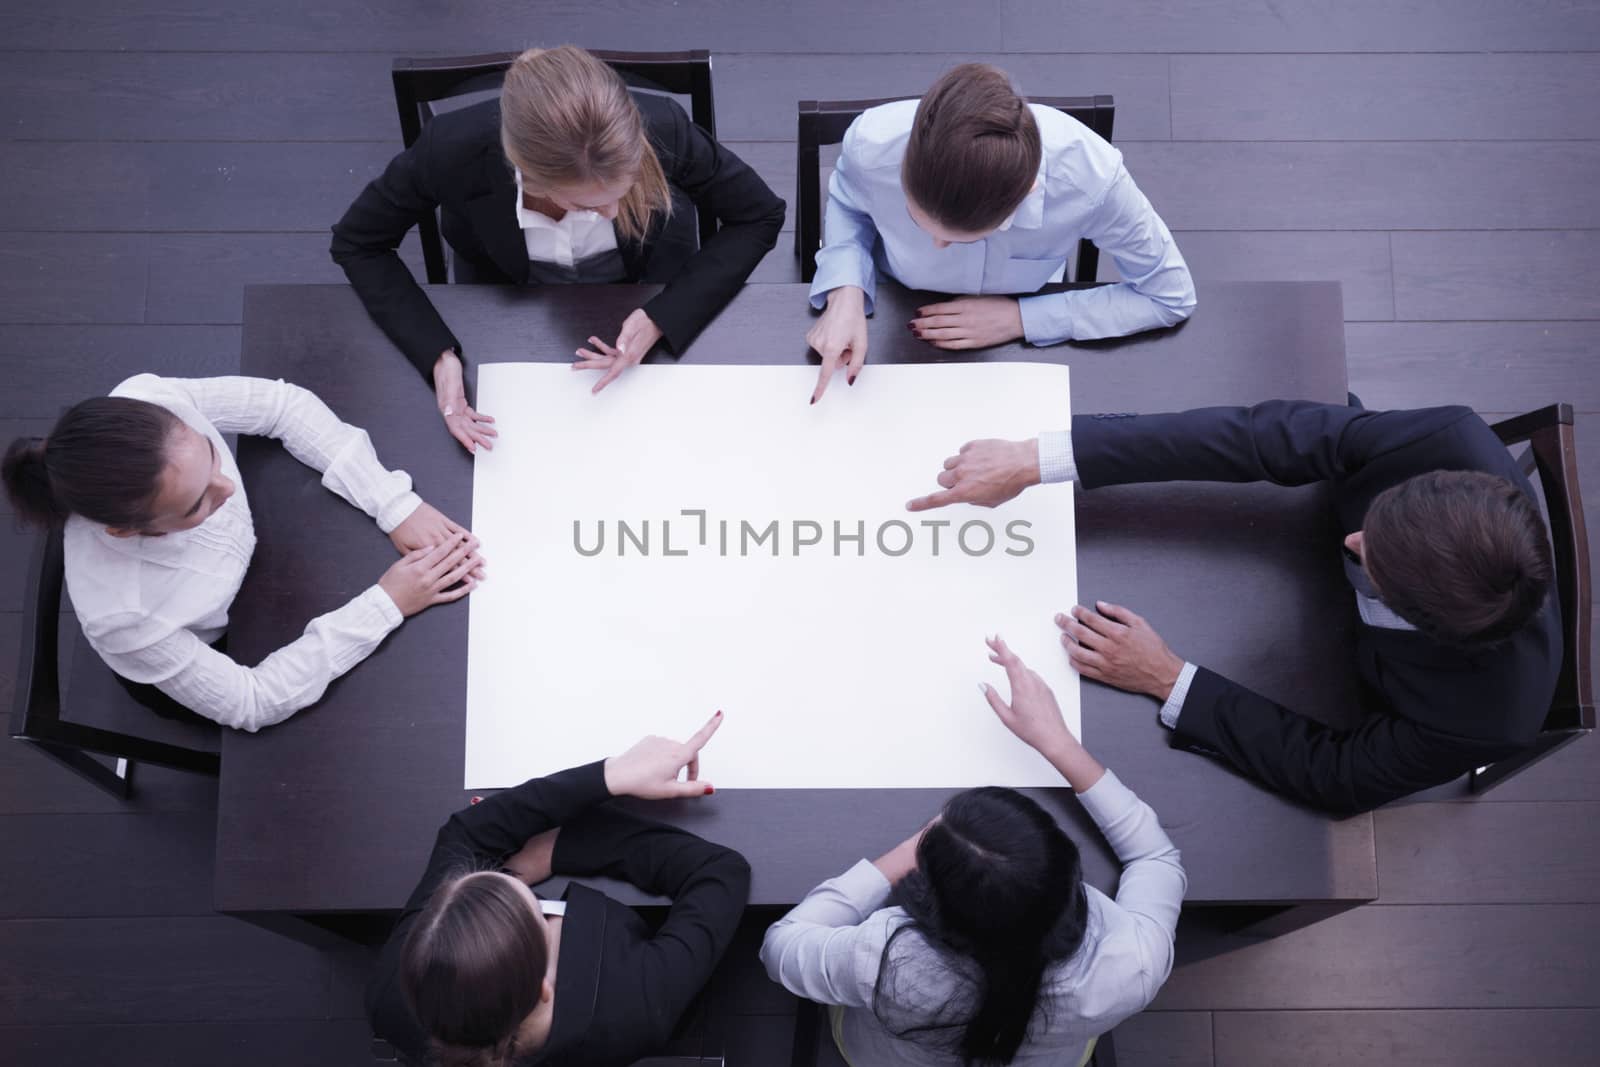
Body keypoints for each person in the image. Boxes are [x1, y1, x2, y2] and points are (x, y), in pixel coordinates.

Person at [906, 401, 1561, 815]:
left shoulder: (1488, 717)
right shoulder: (1444, 443)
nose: (1354, 540)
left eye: (1373, 562)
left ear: (1419, 619)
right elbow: (1255, 437)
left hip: (1329, 683)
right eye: (1375, 523)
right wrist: (1040, 457)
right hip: (1267, 537)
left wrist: (1166, 677)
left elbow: (1337, 775)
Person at [331, 44, 786, 453]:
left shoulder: (665, 126)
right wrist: (438, 355)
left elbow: (760, 213)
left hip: (649, 285)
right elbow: (359, 242)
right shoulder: (449, 150)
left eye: (624, 193)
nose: (610, 214)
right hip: (503, 297)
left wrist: (663, 315)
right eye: (588, 203)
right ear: (526, 172)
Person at [761, 638, 1184, 1067]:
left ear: (931, 900)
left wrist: (914, 848)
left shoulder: (881, 958)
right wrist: (1059, 743)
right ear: (1065, 874)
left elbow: (780, 948)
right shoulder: (1133, 966)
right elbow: (1155, 857)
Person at [1, 373, 483, 731]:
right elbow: (251, 701)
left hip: (270, 561)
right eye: (196, 504)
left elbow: (282, 406)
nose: (228, 487)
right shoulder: (125, 616)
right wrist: (387, 602)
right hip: (221, 644)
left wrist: (393, 503)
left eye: (212, 456)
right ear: (126, 531)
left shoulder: (149, 402)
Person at [368, 712, 750, 1067]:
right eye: (532, 905)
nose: (500, 868)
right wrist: (563, 845)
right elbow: (721, 873)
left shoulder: (392, 997)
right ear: (545, 988)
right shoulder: (636, 1006)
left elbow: (465, 835)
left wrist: (609, 776)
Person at [804, 63, 1195, 403]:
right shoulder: (873, 141)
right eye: (916, 217)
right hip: (895, 299)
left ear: (1026, 195)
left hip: (1021, 317)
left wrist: (1024, 319)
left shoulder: (1090, 179)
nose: (937, 248)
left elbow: (1170, 295)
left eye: (961, 237)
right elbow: (847, 200)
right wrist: (846, 288)